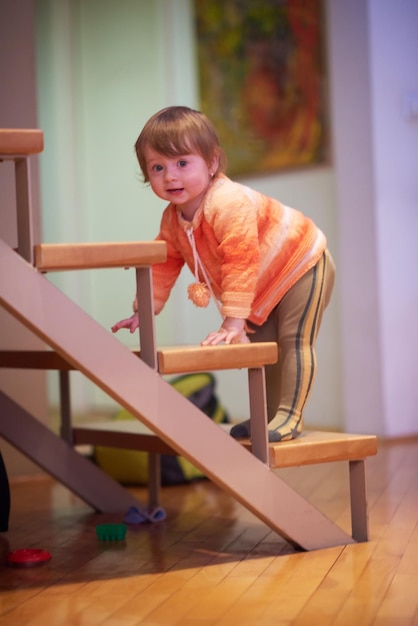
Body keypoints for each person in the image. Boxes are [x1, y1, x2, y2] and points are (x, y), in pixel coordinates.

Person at [112, 105, 335, 442]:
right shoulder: (172, 220)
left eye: (182, 163)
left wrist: (233, 322)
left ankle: (290, 416)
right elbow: (165, 262)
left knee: (293, 341)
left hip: (301, 263)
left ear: (212, 162)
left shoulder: (227, 202)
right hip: (263, 285)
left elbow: (240, 259)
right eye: (158, 167)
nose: (171, 176)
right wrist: (143, 309)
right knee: (261, 349)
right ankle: (268, 415)